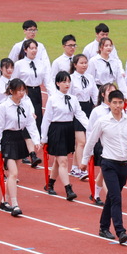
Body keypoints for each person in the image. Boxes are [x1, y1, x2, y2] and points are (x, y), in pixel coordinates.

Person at [80, 89, 127, 244]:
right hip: (108, 164)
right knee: (116, 198)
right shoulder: (102, 121)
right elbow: (91, 142)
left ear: (124, 103)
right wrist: (84, 160)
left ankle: (103, 226)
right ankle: (120, 231)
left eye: (120, 102)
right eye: (114, 102)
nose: (117, 106)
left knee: (111, 198)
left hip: (124, 165)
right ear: (109, 103)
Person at [0, 79, 40, 216]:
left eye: (23, 90)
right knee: (13, 173)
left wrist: (36, 140)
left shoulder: (25, 105)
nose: (21, 93)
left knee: (13, 174)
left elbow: (30, 123)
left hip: (19, 139)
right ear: (11, 91)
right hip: (7, 140)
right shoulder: (4, 106)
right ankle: (15, 205)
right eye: (19, 90)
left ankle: (3, 201)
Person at [40, 71, 87, 200]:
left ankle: (50, 184)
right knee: (63, 161)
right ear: (57, 83)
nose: (67, 84)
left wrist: (91, 128)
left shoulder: (73, 99)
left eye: (68, 81)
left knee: (59, 160)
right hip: (56, 130)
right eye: (63, 81)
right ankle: (68, 189)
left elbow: (80, 115)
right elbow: (46, 119)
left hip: (68, 130)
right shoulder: (53, 99)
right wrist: (43, 137)